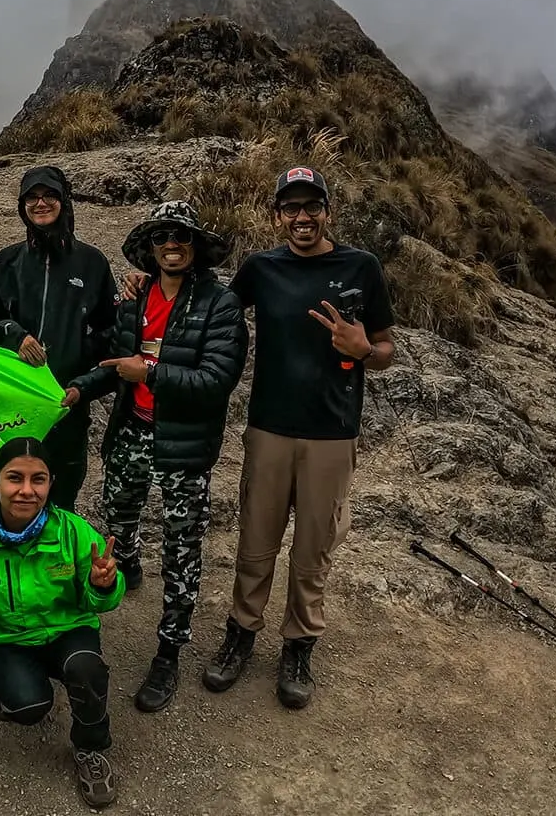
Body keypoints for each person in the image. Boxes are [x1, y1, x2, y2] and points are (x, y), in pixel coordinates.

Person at [204, 166, 395, 709]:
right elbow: (210, 308)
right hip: (268, 427)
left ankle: (298, 645)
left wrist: (364, 349)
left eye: (312, 206)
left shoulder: (362, 266)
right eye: (291, 208)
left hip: (332, 432)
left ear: (328, 211)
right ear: (278, 216)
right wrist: (147, 284)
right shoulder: (261, 268)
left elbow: (386, 350)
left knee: (314, 547)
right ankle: (241, 633)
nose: (303, 217)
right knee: (255, 542)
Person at [67, 201, 247, 713]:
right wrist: (79, 389)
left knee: (182, 549)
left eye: (181, 236)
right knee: (117, 516)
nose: (172, 243)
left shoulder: (221, 305)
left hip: (183, 447)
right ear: (149, 247)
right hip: (131, 433)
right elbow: (114, 364)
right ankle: (127, 565)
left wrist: (150, 374)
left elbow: (217, 381)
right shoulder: (135, 297)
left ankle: (168, 651)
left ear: (195, 247)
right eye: (162, 236)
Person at [0, 437, 124, 810]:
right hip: (7, 638)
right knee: (29, 707)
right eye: (14, 478)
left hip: (66, 630)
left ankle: (90, 749)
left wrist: (101, 584)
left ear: (50, 484)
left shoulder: (72, 531)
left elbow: (100, 600)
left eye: (38, 479)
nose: (26, 490)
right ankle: (13, 693)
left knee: (86, 668)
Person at [0, 165, 118, 511]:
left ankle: (58, 566)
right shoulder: (7, 261)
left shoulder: (92, 262)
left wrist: (83, 385)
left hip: (68, 406)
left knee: (61, 499)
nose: (41, 204)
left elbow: (112, 335)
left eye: (49, 196)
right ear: (22, 206)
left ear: (64, 201)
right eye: (32, 197)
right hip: (14, 405)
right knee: (13, 498)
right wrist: (16, 336)